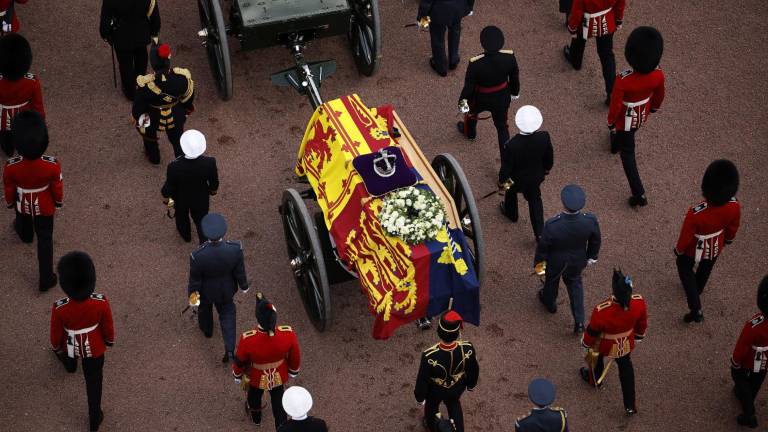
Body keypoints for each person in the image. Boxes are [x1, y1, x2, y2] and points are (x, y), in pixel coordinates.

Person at [50, 251, 115, 431]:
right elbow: (107, 326)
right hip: (94, 346)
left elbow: (55, 333)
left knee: (70, 357)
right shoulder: (100, 302)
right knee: (94, 381)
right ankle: (94, 416)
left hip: (71, 342)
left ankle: (70, 365)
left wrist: (56, 347)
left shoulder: (60, 308)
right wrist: (109, 341)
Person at [675, 159, 740, 323]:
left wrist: (679, 250)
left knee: (684, 266)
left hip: (693, 248)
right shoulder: (734, 206)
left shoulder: (695, 213)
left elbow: (686, 236)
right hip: (716, 244)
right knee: (706, 266)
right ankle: (699, 288)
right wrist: (729, 239)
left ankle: (695, 306)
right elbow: (733, 227)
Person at [3, 111, 61, 291]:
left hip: (22, 201)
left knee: (23, 219)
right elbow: (57, 187)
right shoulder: (51, 164)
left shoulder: (11, 166)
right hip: (44, 204)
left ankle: (26, 234)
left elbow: (9, 188)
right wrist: (58, 202)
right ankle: (46, 277)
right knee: (45, 238)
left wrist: (10, 202)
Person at [607, 26, 665, 208]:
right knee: (626, 136)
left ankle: (638, 193)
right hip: (642, 113)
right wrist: (653, 108)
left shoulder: (623, 80)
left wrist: (610, 122)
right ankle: (614, 144)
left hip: (624, 119)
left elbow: (615, 105)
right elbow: (659, 96)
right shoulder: (658, 74)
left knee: (628, 154)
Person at [534, 184, 601, 333]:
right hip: (577, 260)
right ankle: (579, 322)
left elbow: (543, 248)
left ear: (564, 203)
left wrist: (539, 266)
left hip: (556, 262)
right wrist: (591, 256)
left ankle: (550, 303)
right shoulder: (589, 220)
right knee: (575, 287)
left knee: (551, 282)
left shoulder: (552, 224)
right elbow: (595, 240)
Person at [580, 269, 647, 416]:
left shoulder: (602, 310)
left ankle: (595, 380)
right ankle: (630, 405)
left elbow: (592, 331)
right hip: (625, 343)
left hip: (604, 344)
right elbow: (641, 323)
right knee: (626, 370)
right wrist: (638, 336)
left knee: (595, 359)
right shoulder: (639, 302)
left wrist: (585, 343)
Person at [233, 293, 301, 430]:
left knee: (254, 398)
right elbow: (295, 356)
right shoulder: (288, 333)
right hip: (279, 374)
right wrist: (293, 371)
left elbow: (240, 360)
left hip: (256, 376)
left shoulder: (247, 339)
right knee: (279, 403)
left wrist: (237, 374)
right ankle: (281, 427)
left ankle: (257, 419)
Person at [188, 213, 249, 362]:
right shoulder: (235, 249)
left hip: (206, 292)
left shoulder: (198, 255)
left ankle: (207, 330)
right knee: (228, 316)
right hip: (227, 290)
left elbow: (194, 281)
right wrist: (243, 286)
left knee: (204, 312)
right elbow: (239, 271)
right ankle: (229, 349)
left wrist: (193, 300)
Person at [457, 26, 520, 159]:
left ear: (482, 44)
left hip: (480, 97)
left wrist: (463, 104)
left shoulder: (475, 63)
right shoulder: (509, 57)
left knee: (471, 115)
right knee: (502, 128)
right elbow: (514, 77)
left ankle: (470, 134)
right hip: (501, 96)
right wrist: (514, 93)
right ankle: (505, 163)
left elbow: (468, 87)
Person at [414, 311, 479, 432]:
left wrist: (420, 397)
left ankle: (432, 424)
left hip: (435, 390)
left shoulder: (429, 355)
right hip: (456, 387)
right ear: (458, 332)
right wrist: (470, 385)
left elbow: (422, 379)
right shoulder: (468, 348)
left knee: (431, 407)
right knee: (454, 404)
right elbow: (473, 370)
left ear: (439, 331)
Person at [131, 42, 194, 164]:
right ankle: (181, 161)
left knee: (149, 137)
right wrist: (184, 110)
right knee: (178, 139)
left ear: (153, 63)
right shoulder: (182, 78)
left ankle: (154, 158)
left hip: (153, 118)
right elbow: (188, 97)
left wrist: (138, 118)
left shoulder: (145, 85)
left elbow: (138, 109)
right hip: (176, 116)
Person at [498, 105, 553, 241]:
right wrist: (546, 169)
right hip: (535, 177)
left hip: (515, 180)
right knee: (535, 200)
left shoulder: (511, 145)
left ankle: (511, 213)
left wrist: (501, 182)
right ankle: (539, 233)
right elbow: (549, 158)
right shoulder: (544, 137)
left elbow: (506, 169)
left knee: (510, 192)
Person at [161, 129, 218, 243]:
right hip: (201, 197)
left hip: (181, 199)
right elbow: (214, 182)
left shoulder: (174, 167)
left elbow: (168, 187)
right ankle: (204, 242)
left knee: (182, 218)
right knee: (202, 220)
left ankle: (186, 236)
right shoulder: (210, 162)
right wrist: (212, 190)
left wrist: (166, 199)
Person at [563, 0, 625, 105]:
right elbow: (620, 3)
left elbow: (577, 11)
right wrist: (618, 20)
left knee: (579, 42)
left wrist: (572, 28)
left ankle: (576, 62)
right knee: (606, 55)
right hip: (607, 19)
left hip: (586, 22)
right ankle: (611, 93)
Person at [99, 0, 161, 100]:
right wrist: (154, 30)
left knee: (125, 64)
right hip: (141, 33)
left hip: (121, 35)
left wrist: (106, 35)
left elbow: (105, 19)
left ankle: (130, 92)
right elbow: (154, 15)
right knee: (141, 57)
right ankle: (140, 84)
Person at [730, 276, 768, 429]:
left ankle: (748, 413)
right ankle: (748, 398)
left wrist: (735, 362)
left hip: (751, 358)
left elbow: (743, 345)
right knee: (757, 380)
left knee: (738, 376)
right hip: (765, 360)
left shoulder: (756, 325)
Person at [0, 33, 44, 157]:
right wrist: (40, 121)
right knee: (20, 132)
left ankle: (7, 147)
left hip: (2, 116)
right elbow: (37, 105)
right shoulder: (32, 82)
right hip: (23, 116)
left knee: (4, 133)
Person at [417, 0, 474, 77]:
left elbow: (426, 2)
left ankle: (441, 67)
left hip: (439, 11)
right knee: (455, 31)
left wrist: (422, 18)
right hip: (458, 7)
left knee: (437, 38)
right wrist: (469, 7)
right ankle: (453, 61)